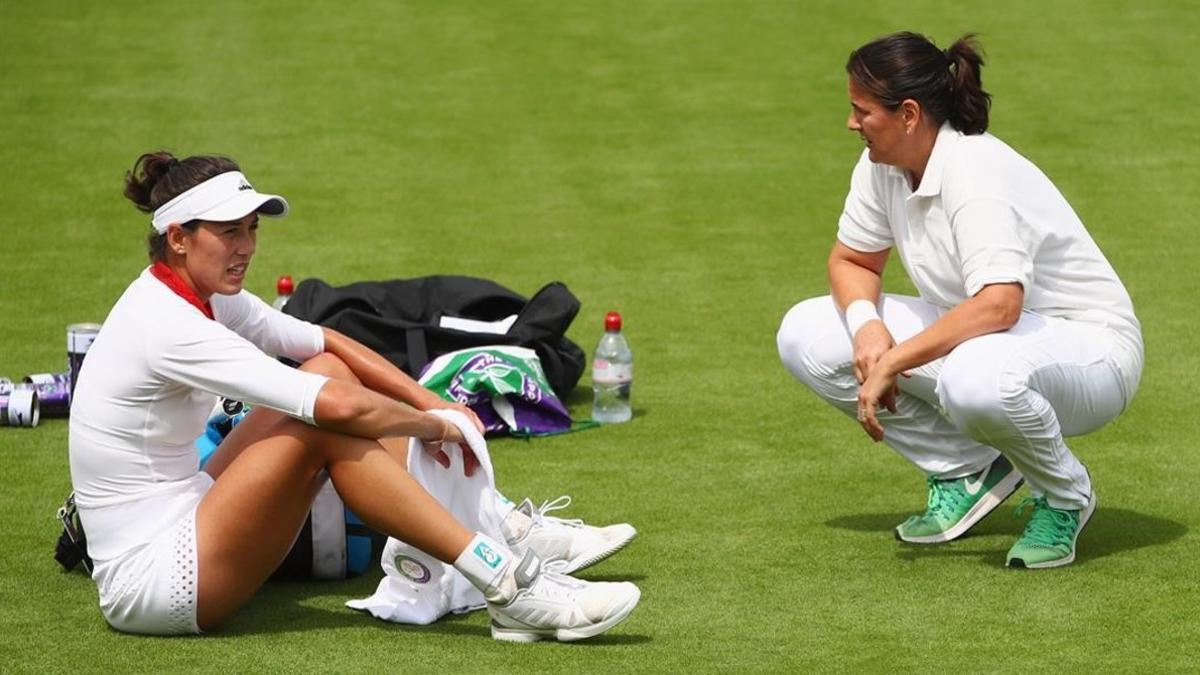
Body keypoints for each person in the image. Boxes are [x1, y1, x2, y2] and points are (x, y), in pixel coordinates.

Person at [68, 151, 641, 638]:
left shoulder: (204, 292)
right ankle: (506, 581)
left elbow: (324, 342)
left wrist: (427, 399)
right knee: (323, 424)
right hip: (152, 581)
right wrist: (437, 427)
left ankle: (495, 523)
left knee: (325, 367)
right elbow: (336, 409)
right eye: (228, 231)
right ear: (178, 238)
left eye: (252, 228)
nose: (246, 247)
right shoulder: (169, 325)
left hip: (189, 508)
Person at [776, 32, 1143, 569]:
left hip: (1092, 353)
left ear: (907, 114)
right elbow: (851, 261)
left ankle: (1065, 493)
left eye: (861, 111)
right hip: (989, 337)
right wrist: (867, 329)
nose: (851, 123)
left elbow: (1000, 305)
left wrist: (895, 360)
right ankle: (965, 468)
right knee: (806, 334)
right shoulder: (881, 166)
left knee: (973, 379)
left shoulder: (974, 168)